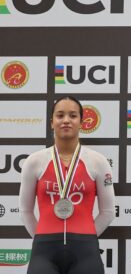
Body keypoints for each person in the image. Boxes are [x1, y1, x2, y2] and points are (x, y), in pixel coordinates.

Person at [19, 96, 116, 274]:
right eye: (60, 115)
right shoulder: (34, 161)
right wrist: (42, 236)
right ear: (51, 122)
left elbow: (108, 211)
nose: (66, 120)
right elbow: (25, 210)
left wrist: (86, 236)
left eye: (72, 116)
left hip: (86, 251)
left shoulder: (98, 161)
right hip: (44, 251)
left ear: (81, 122)